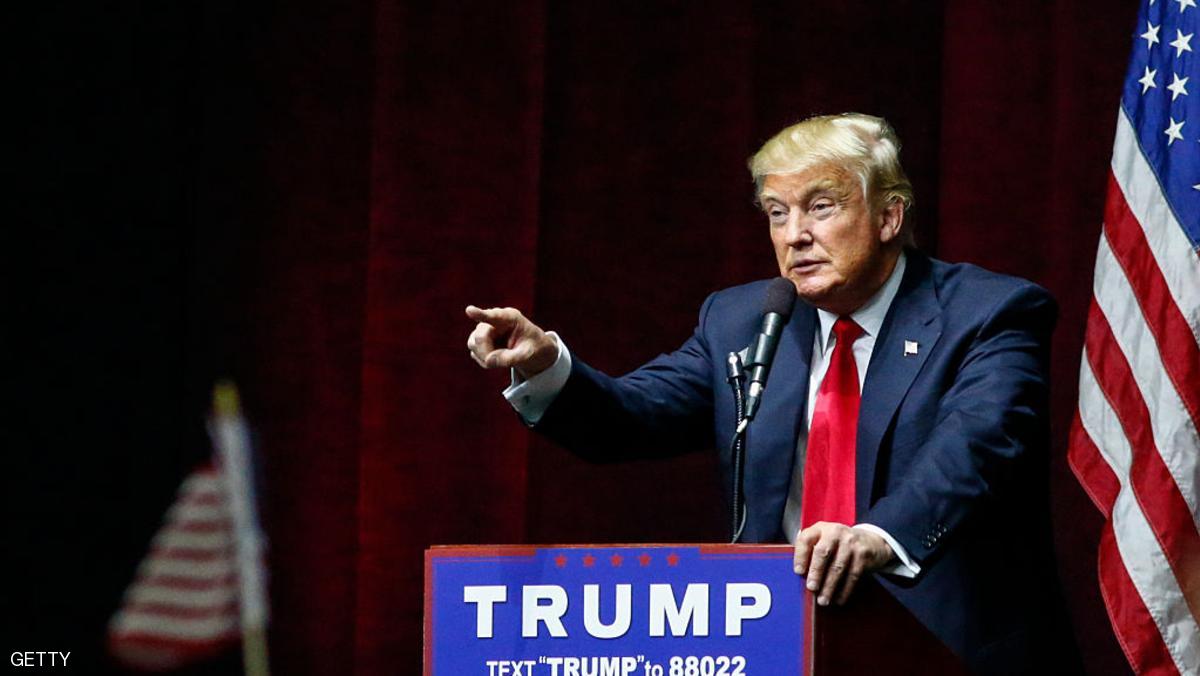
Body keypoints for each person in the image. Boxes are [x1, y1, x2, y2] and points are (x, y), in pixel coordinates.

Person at [466, 113, 1075, 674]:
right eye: (777, 212)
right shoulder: (746, 320)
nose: (796, 235)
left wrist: (876, 536)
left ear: (890, 217)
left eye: (821, 207)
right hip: (779, 646)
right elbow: (631, 418)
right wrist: (549, 366)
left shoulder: (990, 312)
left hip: (945, 647)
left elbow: (976, 448)